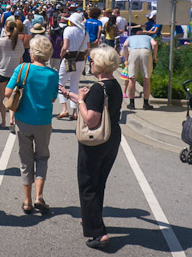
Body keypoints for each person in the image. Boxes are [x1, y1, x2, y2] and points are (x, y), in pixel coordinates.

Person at [60, 45, 123, 249]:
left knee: (87, 184)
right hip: (112, 137)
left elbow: (90, 120)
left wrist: (80, 103)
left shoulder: (98, 88)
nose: (91, 64)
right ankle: (90, 217)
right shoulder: (114, 85)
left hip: (96, 140)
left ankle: (98, 232)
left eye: (93, 61)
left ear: (100, 65)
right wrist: (72, 95)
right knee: (99, 182)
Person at [6, 35, 58, 214]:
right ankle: (39, 196)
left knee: (26, 161)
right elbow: (52, 97)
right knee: (42, 158)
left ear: (33, 53)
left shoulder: (22, 69)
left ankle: (27, 201)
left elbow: (7, 92)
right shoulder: (53, 74)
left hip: (23, 120)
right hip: (43, 122)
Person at [0, 20, 24, 130]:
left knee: (3, 97)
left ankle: (3, 121)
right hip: (15, 73)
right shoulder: (19, 42)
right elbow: (21, 59)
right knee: (13, 97)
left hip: (2, 72)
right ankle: (12, 119)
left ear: (5, 27)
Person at [57, 12, 88, 120]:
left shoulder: (68, 30)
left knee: (60, 83)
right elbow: (88, 49)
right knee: (75, 83)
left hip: (70, 58)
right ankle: (75, 111)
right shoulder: (84, 32)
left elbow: (65, 46)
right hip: (81, 59)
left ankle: (64, 109)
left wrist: (61, 55)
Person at [122, 25, 157, 110]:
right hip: (146, 52)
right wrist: (154, 57)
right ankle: (145, 103)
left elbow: (124, 46)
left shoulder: (131, 38)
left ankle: (131, 103)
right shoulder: (148, 37)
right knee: (146, 78)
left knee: (132, 79)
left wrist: (126, 59)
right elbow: (155, 44)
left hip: (133, 52)